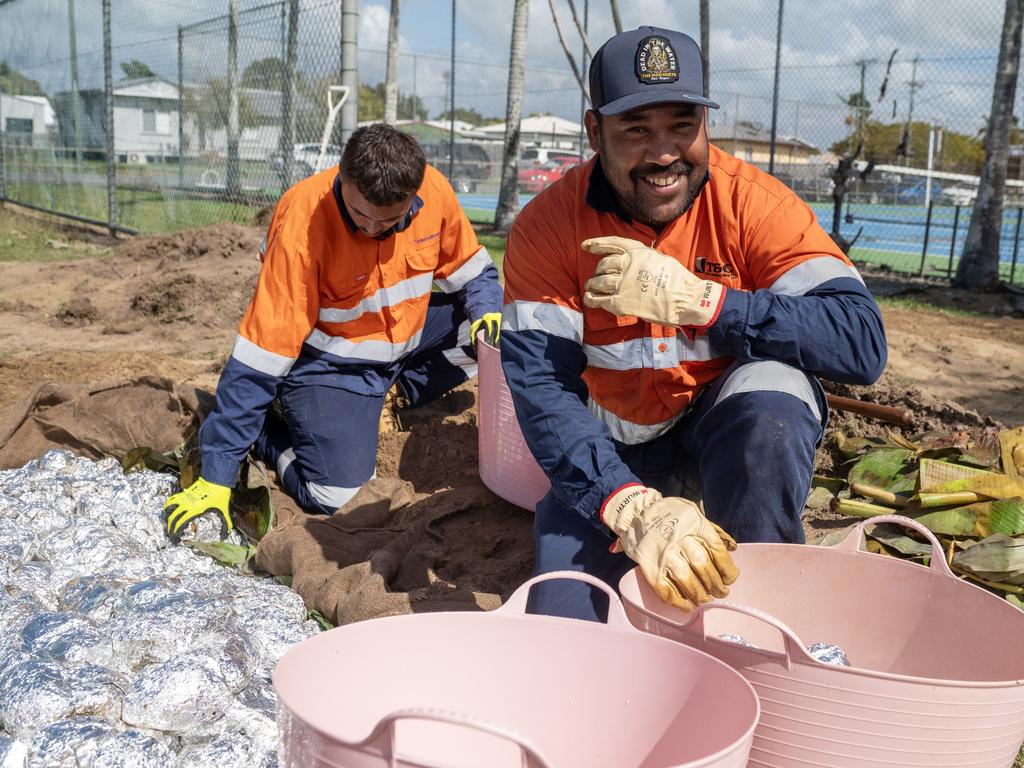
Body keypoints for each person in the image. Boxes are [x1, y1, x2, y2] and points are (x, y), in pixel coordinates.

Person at [500, 27, 887, 621]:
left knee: (774, 405)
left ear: (706, 126)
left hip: (723, 439)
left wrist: (708, 304)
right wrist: (627, 505)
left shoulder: (754, 204)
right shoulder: (547, 227)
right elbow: (541, 391)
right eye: (635, 129)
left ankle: (762, 601)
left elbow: (859, 342)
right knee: (563, 625)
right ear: (593, 131)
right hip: (617, 449)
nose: (663, 154)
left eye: (683, 125)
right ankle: (638, 508)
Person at [164, 123, 502, 542]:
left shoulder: (434, 189)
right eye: (360, 215)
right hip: (330, 365)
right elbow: (263, 351)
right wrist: (219, 474)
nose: (373, 229)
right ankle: (269, 432)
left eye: (391, 220)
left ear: (414, 193)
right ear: (342, 177)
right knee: (340, 498)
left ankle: (393, 395)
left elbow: (473, 271)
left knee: (496, 330)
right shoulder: (302, 222)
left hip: (402, 345)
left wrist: (488, 310)